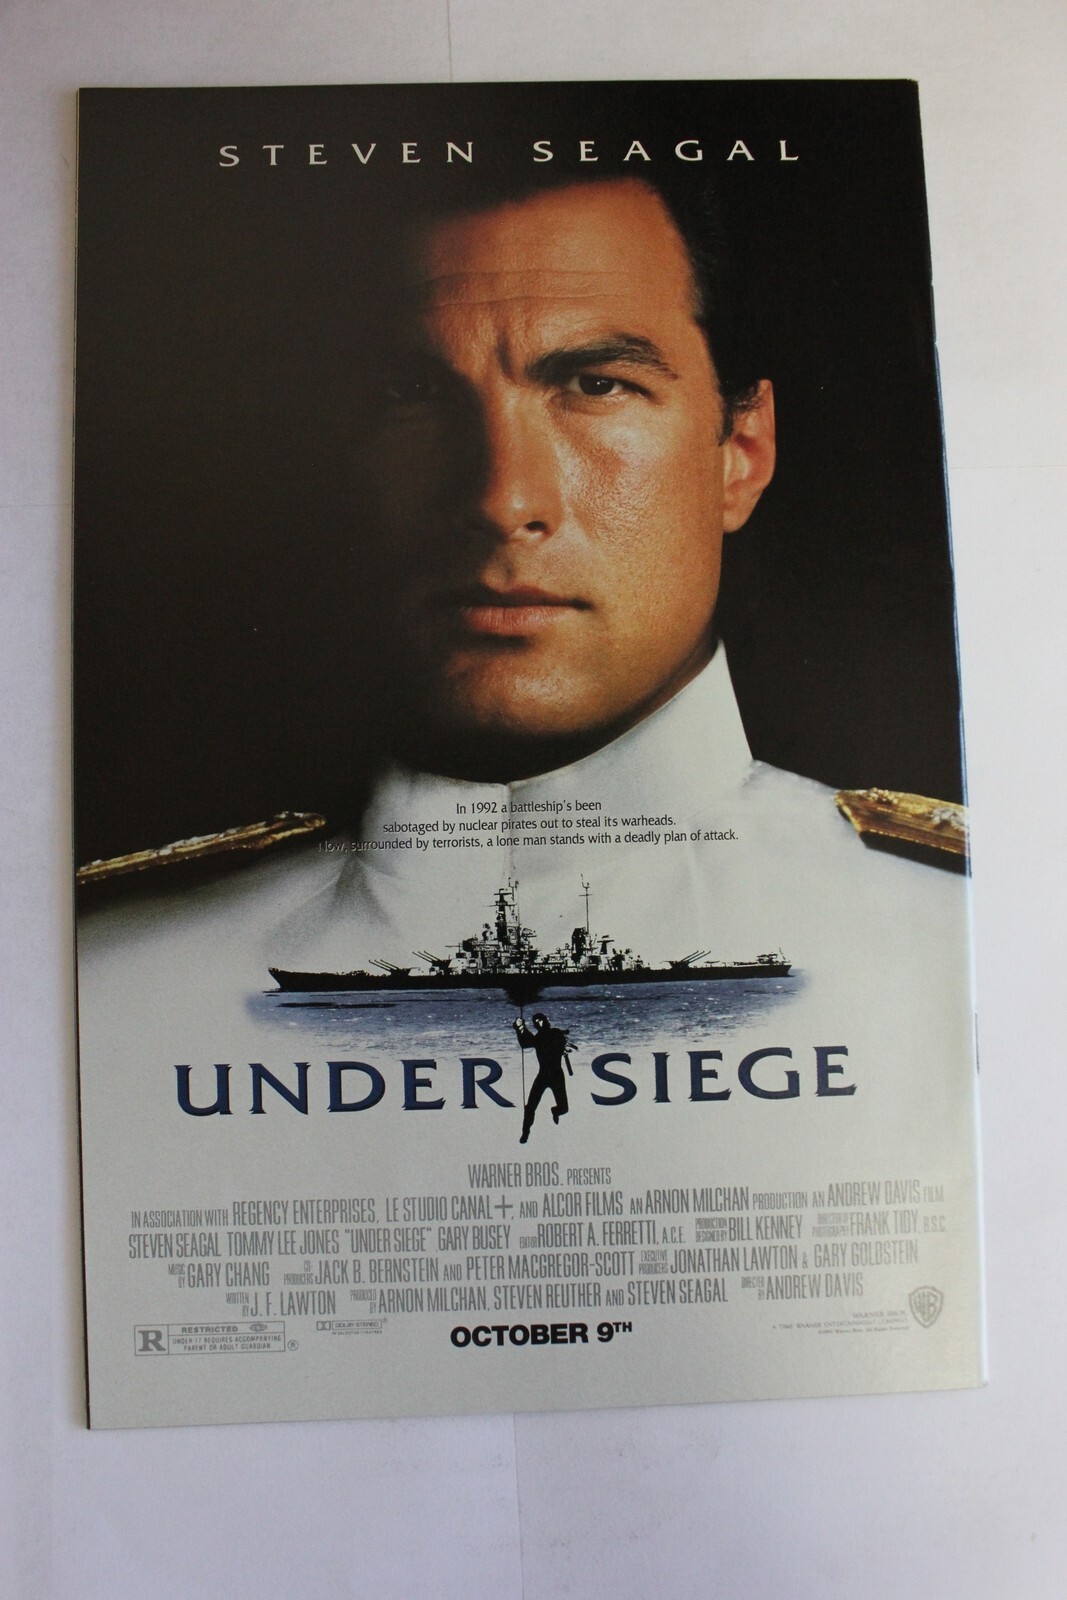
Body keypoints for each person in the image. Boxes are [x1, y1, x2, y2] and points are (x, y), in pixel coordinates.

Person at [513, 1012, 572, 1143]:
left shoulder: (552, 1034)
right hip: (544, 1075)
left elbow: (526, 1041)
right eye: (536, 1022)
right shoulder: (542, 1037)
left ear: (546, 1021)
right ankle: (525, 1132)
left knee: (564, 1108)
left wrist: (520, 1028)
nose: (539, 1023)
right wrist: (520, 1028)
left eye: (540, 1020)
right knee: (530, 1107)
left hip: (556, 1075)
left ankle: (556, 1111)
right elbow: (525, 1043)